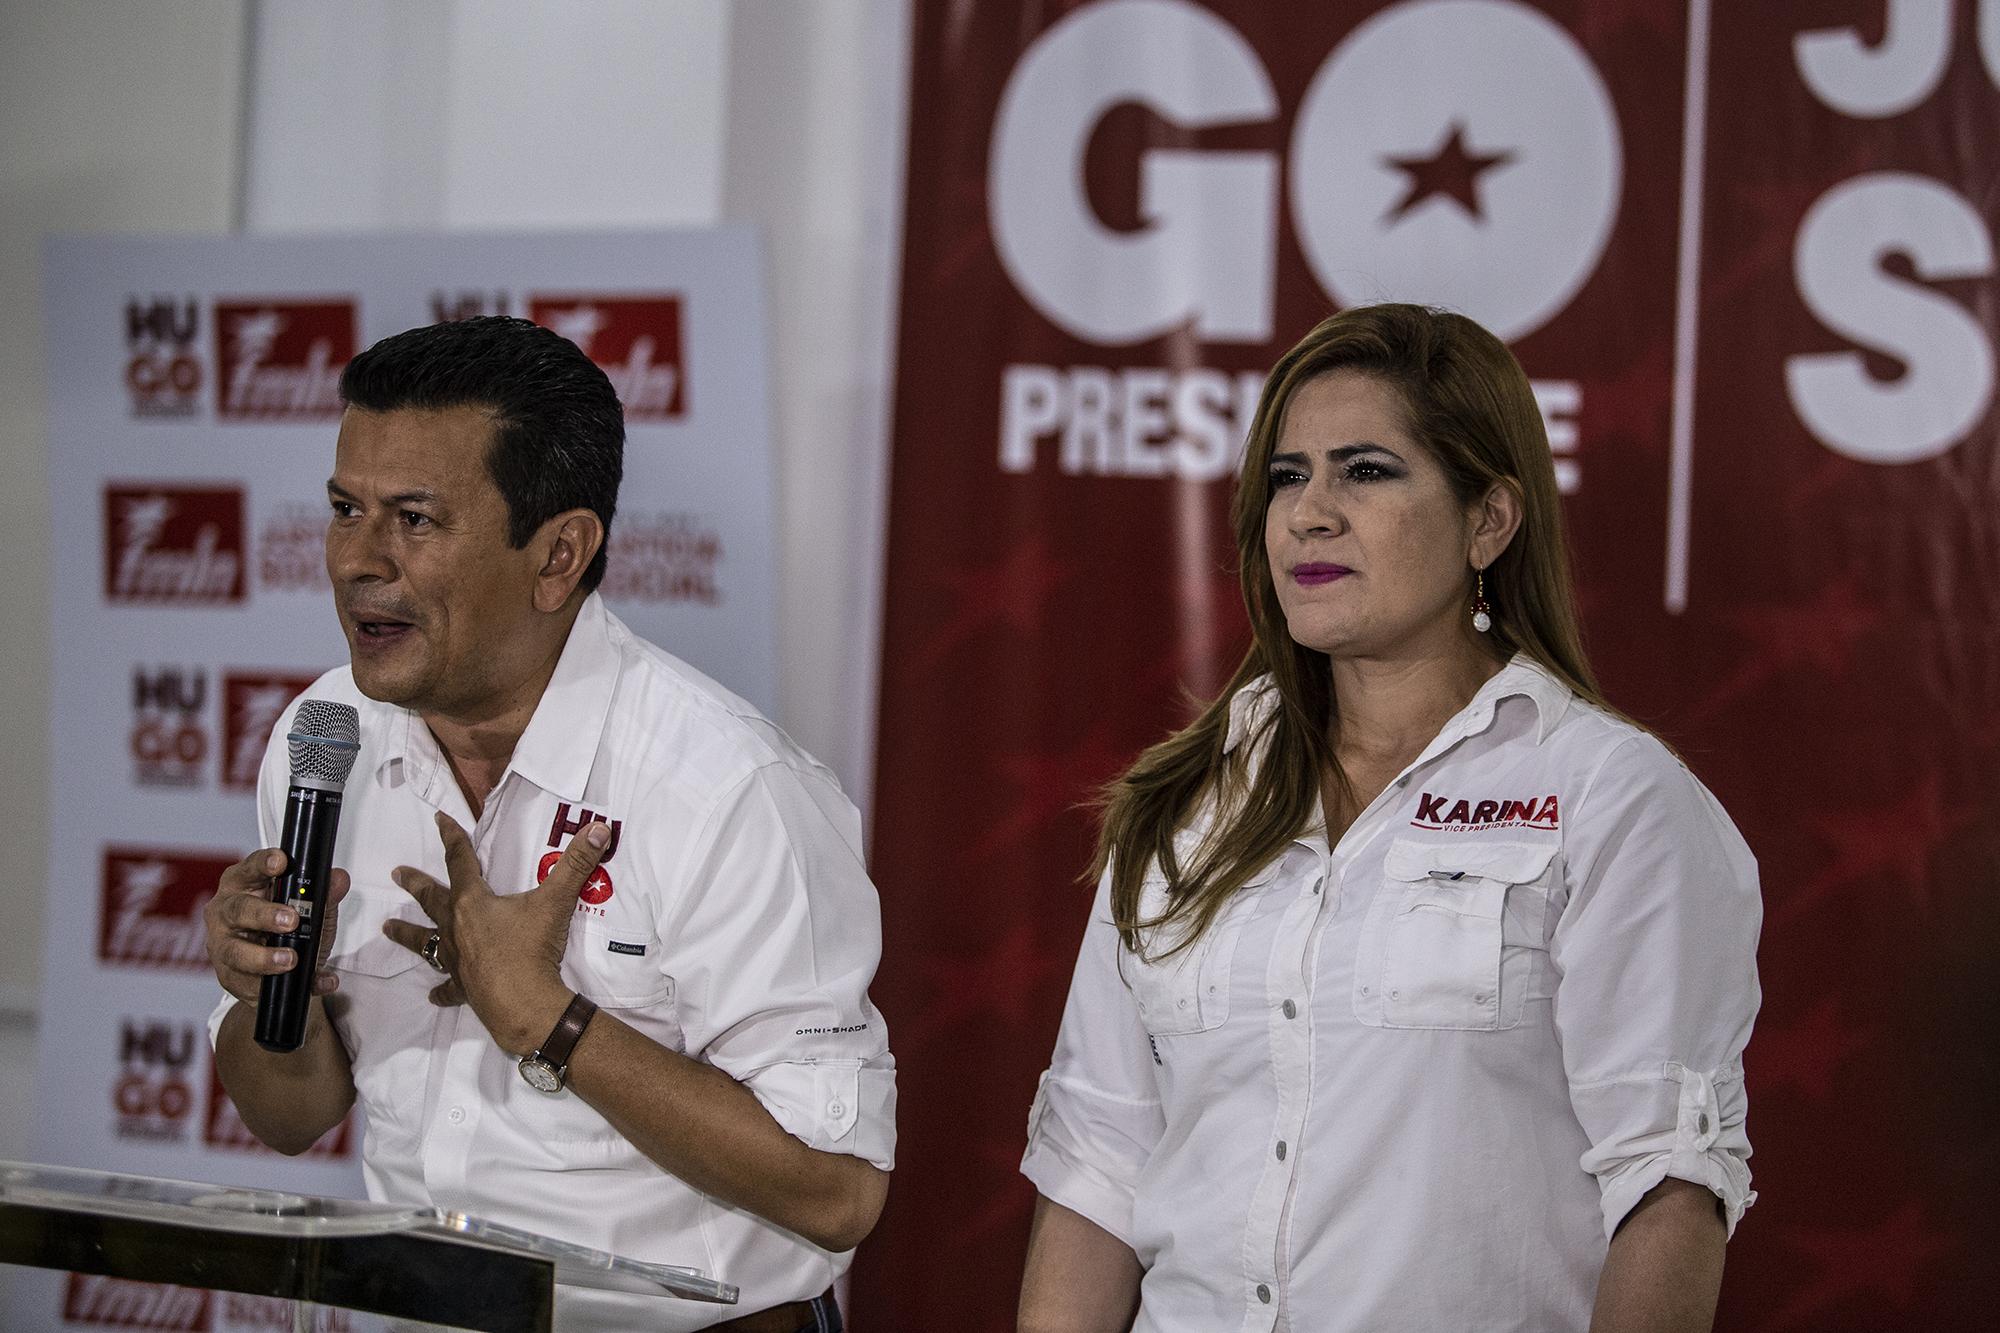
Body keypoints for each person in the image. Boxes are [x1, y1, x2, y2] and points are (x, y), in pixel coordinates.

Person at [1016, 304, 1761, 1333]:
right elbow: (1093, 1174)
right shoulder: (1184, 801)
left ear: (1487, 521)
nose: (1308, 514)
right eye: (1287, 476)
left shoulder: (1610, 795)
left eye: (1363, 470)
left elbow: (1669, 1190)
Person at [202, 316, 893, 1333]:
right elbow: (289, 1115)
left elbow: (838, 1193)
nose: (358, 560)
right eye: (345, 509)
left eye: (415, 520)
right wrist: (275, 995)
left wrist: (547, 1017)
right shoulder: (323, 740)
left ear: (558, 553)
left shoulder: (727, 787)